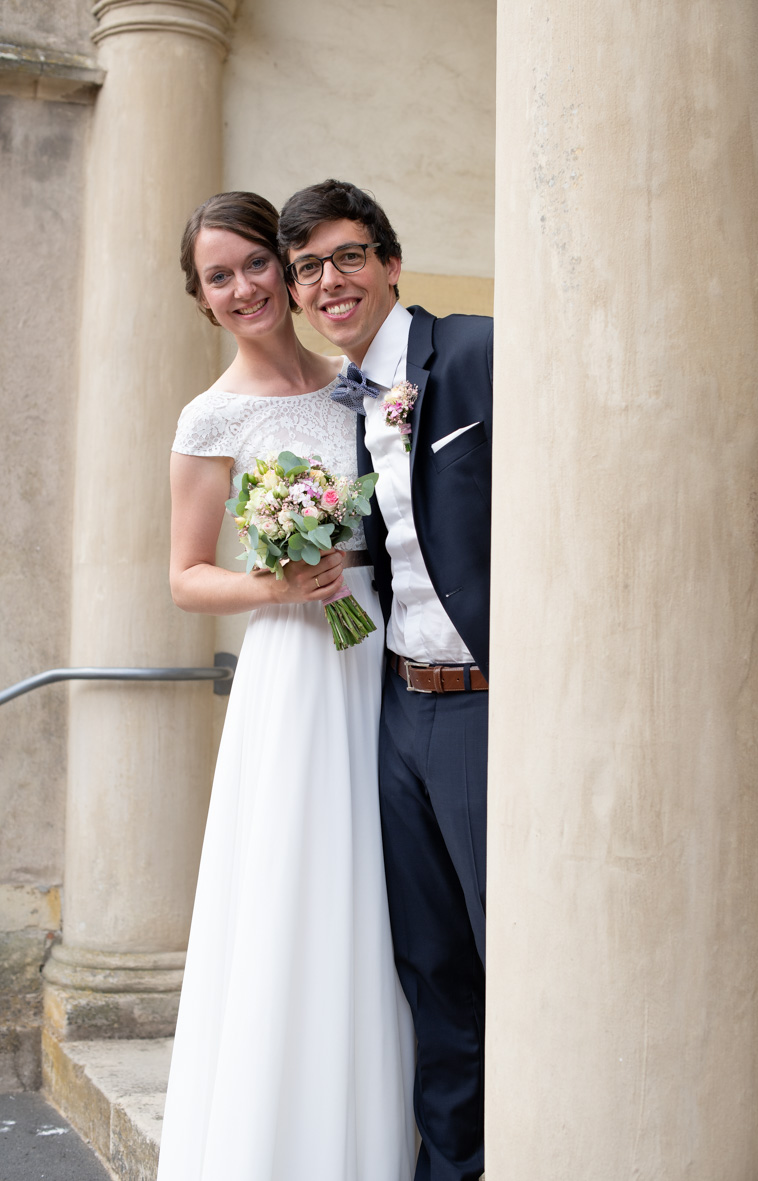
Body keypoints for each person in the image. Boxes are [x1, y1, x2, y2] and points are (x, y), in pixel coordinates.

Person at [157, 191, 415, 1181]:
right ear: (204, 301)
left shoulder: (361, 384)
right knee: (299, 882)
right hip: (296, 667)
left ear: (286, 267)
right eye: (217, 277)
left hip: (381, 648)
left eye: (254, 265)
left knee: (390, 890)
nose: (243, 288)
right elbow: (185, 576)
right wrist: (274, 580)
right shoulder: (211, 415)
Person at [279, 180, 492, 1181]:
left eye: (349, 256)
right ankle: (451, 1169)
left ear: (391, 262)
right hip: (395, 709)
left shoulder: (481, 355)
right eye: (310, 267)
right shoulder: (330, 413)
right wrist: (321, 591)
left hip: (490, 702)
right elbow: (375, 582)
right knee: (432, 965)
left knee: (509, 954)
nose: (332, 280)